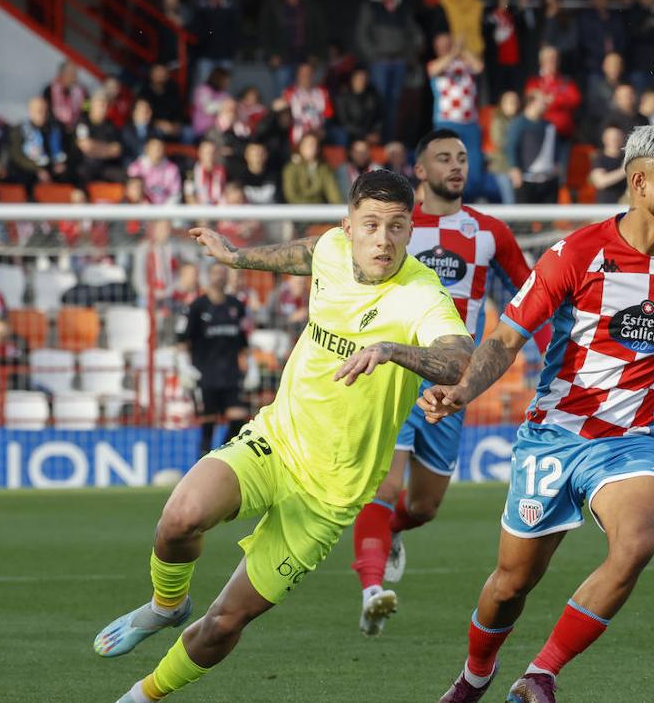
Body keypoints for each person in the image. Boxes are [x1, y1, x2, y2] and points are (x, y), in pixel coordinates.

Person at [96, 170, 473, 702]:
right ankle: (165, 604)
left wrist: (393, 351)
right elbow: (304, 253)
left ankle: (143, 696)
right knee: (180, 518)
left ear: (411, 231)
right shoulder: (333, 249)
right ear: (350, 226)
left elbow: (457, 357)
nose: (382, 239)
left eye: (396, 226)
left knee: (224, 623)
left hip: (329, 496)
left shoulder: (420, 294)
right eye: (370, 225)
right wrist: (235, 257)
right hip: (276, 441)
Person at [427, 126, 654, 703]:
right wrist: (462, 391)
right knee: (511, 584)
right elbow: (504, 339)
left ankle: (542, 674)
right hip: (555, 435)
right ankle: (476, 674)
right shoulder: (575, 254)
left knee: (637, 542)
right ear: (639, 181)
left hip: (632, 441)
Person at [349, 129, 542, 637]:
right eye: (443, 158)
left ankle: (389, 534)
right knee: (386, 484)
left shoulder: (488, 233)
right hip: (394, 371)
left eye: (461, 158)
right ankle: (372, 591)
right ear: (419, 169)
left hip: (452, 381)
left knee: (424, 506)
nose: (456, 166)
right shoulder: (394, 229)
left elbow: (531, 295)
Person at [179, 263, 251, 455]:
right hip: (205, 375)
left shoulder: (235, 306)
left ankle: (221, 456)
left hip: (230, 374)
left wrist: (250, 366)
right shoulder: (197, 306)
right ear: (207, 277)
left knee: (239, 420)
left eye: (222, 273)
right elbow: (183, 340)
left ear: (227, 277)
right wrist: (184, 366)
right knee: (207, 427)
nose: (219, 277)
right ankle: (202, 472)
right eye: (215, 273)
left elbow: (244, 341)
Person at [355, 0, 422, 143]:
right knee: (378, 104)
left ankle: (389, 144)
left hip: (398, 63)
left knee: (394, 106)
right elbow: (362, 34)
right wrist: (374, 57)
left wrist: (407, 56)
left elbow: (414, 33)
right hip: (380, 63)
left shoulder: (402, 6)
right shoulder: (370, 4)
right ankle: (375, 144)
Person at [427, 34, 486, 197]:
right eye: (441, 45)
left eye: (448, 43)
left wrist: (462, 51)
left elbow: (479, 67)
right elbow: (432, 70)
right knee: (447, 164)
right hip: (447, 123)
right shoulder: (437, 64)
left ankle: (471, 199)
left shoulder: (465, 64)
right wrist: (453, 52)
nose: (445, 46)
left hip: (470, 123)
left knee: (473, 165)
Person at [257, 0, 327, 93]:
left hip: (305, 59)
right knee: (283, 98)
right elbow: (264, 32)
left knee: (304, 96)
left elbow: (320, 31)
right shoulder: (272, 4)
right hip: (281, 59)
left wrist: (315, 54)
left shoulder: (310, 4)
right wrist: (271, 55)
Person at [188, 0, 241, 86]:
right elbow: (194, 29)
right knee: (203, 92)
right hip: (204, 56)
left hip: (225, 57)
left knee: (224, 93)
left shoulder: (232, 4)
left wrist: (233, 50)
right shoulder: (198, 4)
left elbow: (236, 30)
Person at [6, 96, 70, 187]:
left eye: (45, 110)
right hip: (30, 169)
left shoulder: (57, 127)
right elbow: (17, 155)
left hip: (54, 168)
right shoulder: (19, 130)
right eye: (38, 110)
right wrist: (37, 169)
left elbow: (68, 148)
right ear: (30, 111)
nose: (42, 114)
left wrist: (62, 163)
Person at [283, 132, 342, 205]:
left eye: (315, 145)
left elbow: (333, 192)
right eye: (309, 145)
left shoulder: (324, 168)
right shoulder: (291, 168)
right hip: (297, 211)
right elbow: (291, 195)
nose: (312, 148)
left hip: (320, 210)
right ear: (300, 147)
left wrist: (337, 208)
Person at [283, 62, 332, 147]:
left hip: (318, 131)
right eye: (303, 73)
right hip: (298, 131)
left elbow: (328, 115)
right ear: (298, 75)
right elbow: (284, 117)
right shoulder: (289, 92)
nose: (306, 76)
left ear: (313, 75)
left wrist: (322, 129)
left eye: (309, 73)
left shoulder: (322, 92)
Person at [334, 68, 383, 147]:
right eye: (360, 78)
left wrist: (376, 132)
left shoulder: (372, 96)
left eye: (364, 78)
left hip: (369, 132)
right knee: (341, 135)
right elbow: (344, 123)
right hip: (350, 133)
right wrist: (365, 135)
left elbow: (378, 117)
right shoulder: (343, 98)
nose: (362, 81)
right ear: (353, 79)